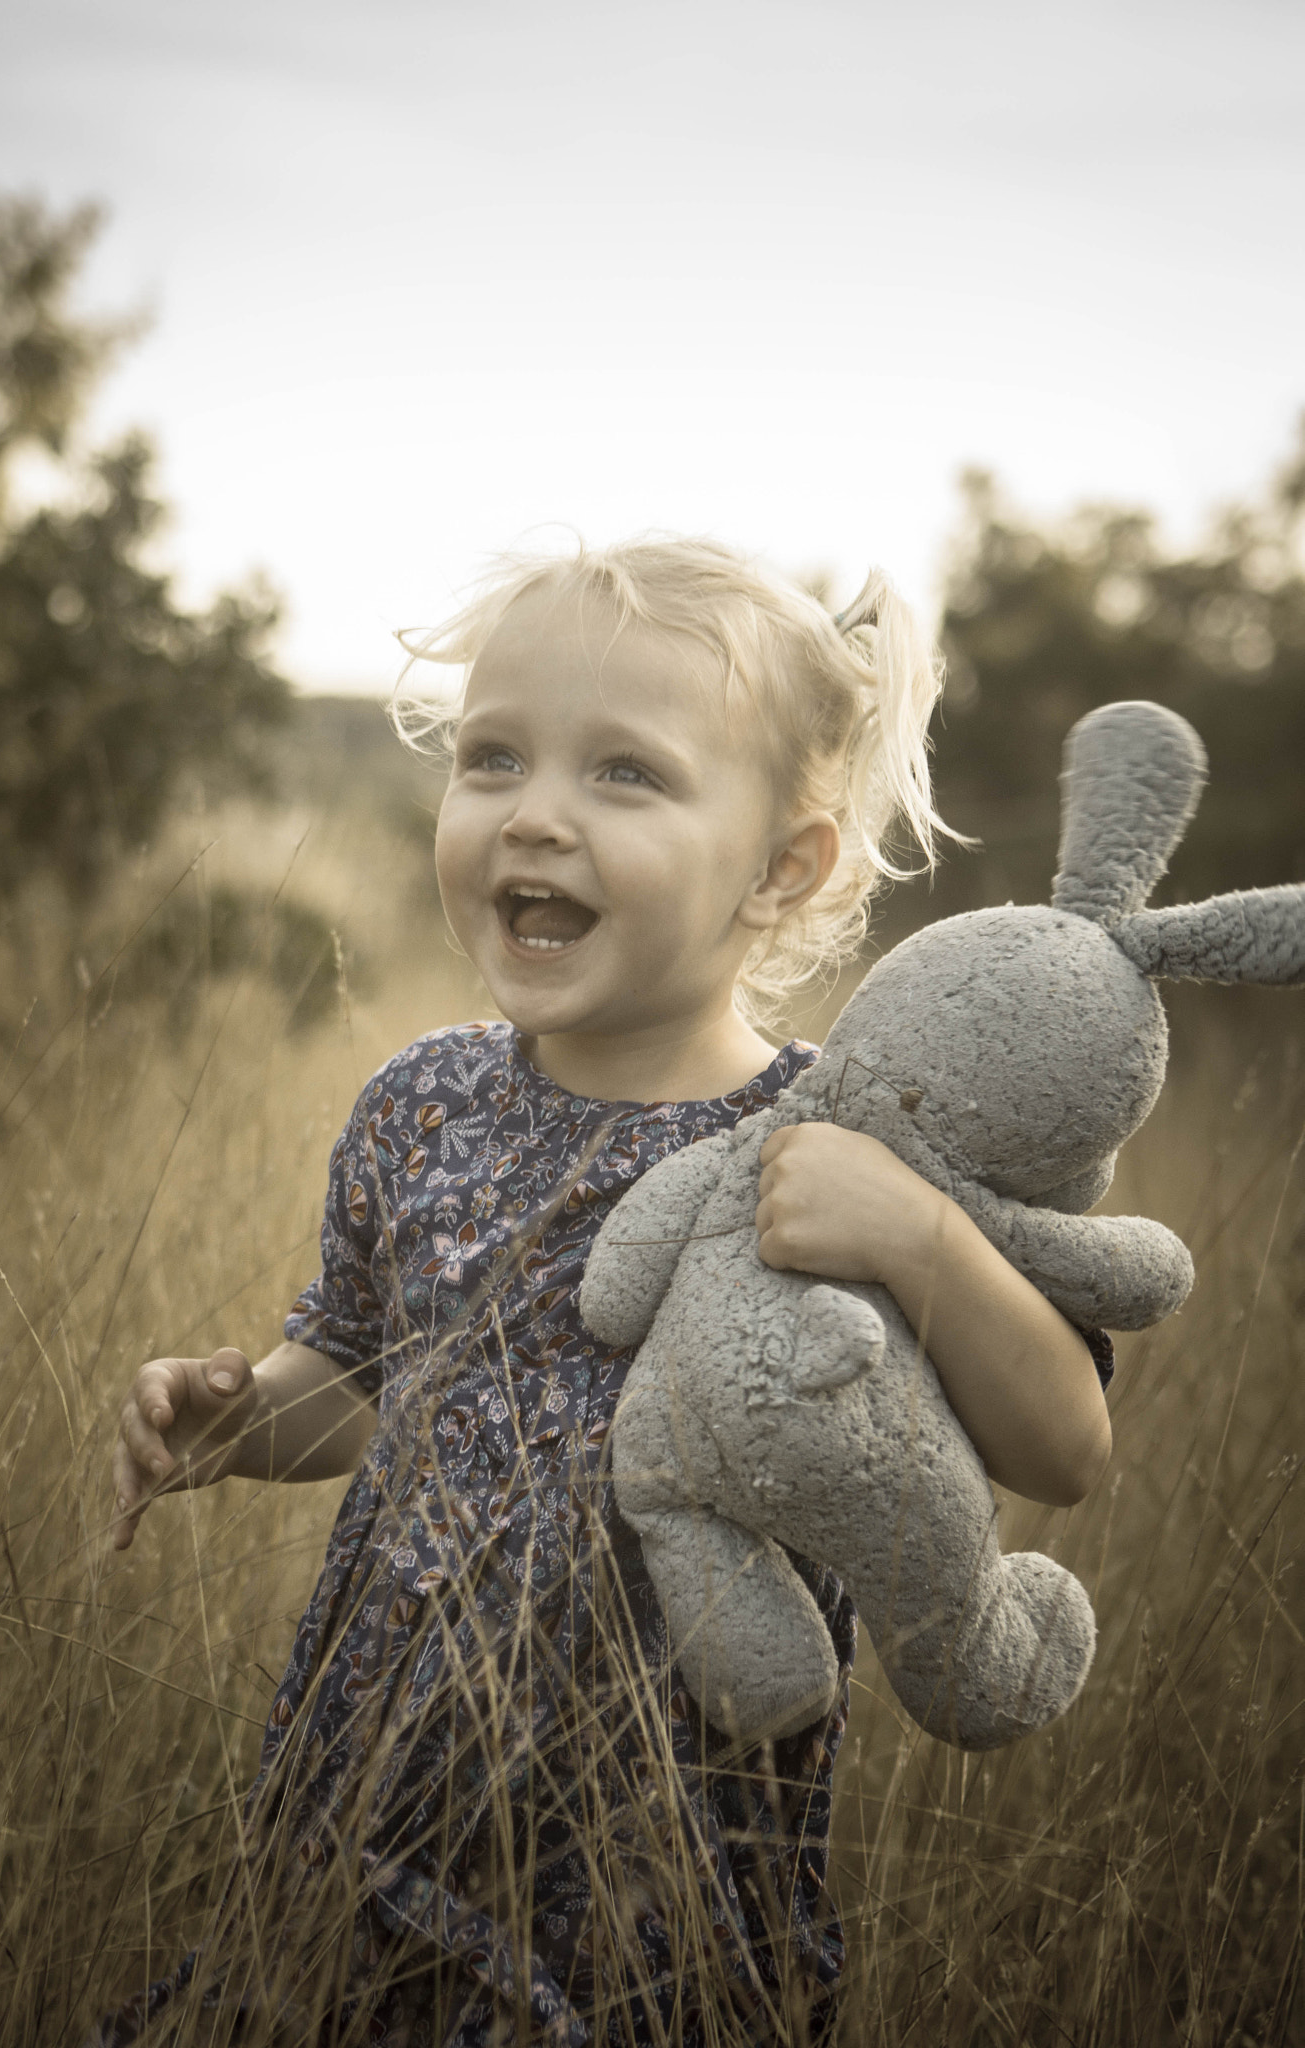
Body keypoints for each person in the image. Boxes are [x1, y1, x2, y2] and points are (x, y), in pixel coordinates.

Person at [97, 539, 1114, 2046]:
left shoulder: (852, 1137)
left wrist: (920, 1241)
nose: (537, 817)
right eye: (492, 758)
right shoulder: (419, 1106)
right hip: (377, 1787)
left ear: (787, 864)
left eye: (625, 775)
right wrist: (237, 1416)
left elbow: (1066, 1448)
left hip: (664, 1837)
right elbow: (363, 1375)